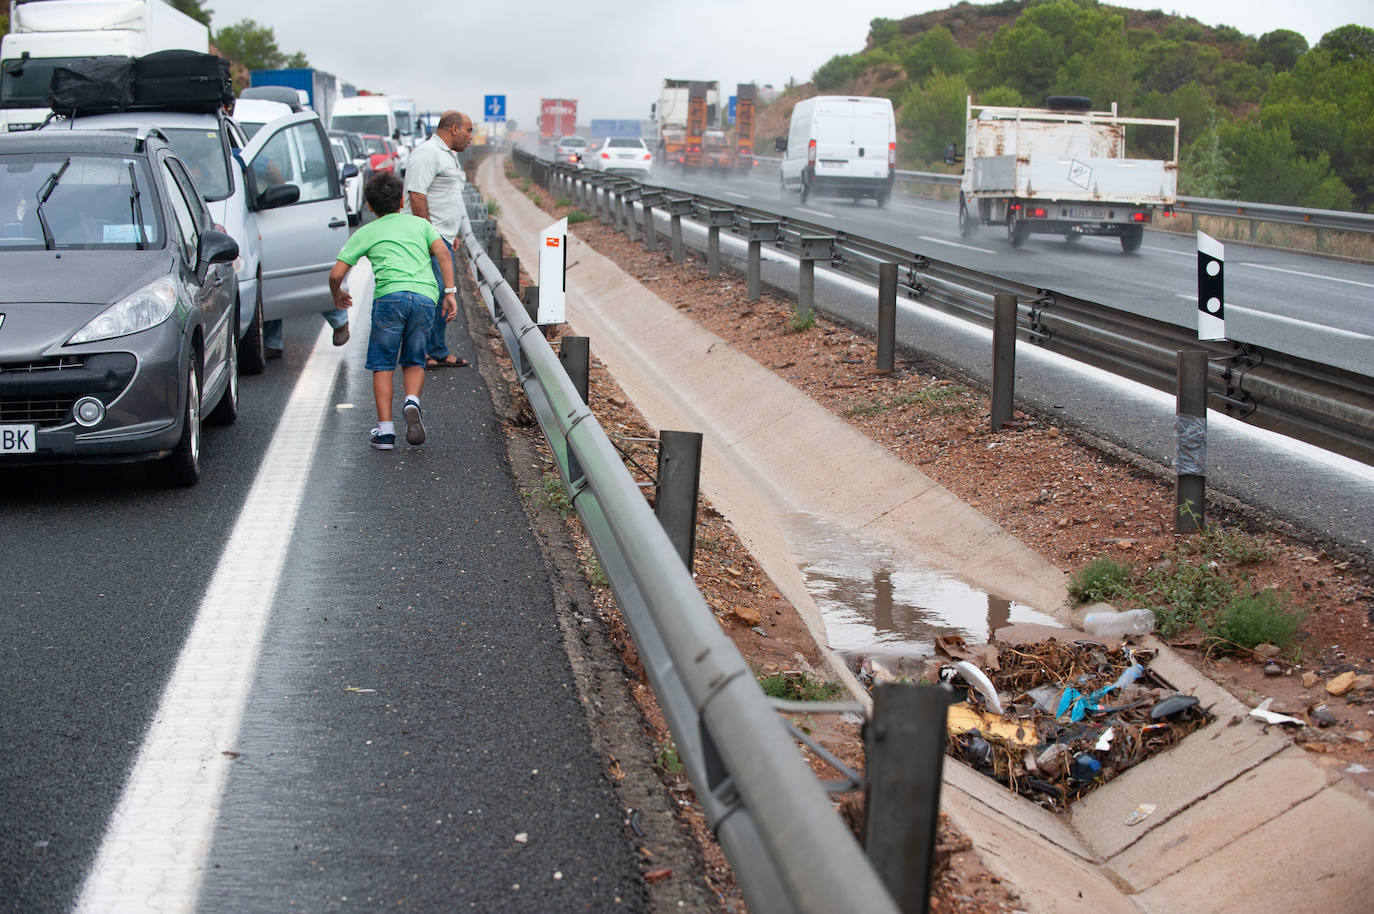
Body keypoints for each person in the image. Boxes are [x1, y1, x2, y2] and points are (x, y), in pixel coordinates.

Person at [329, 173, 457, 450]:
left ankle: (385, 431)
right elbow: (444, 254)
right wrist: (449, 292)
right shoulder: (420, 225)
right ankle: (412, 401)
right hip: (424, 297)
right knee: (414, 360)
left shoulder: (366, 232)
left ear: (369, 206)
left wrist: (337, 294)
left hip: (389, 299)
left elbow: (336, 273)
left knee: (383, 364)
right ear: (402, 201)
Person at [404, 109, 474, 368]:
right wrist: (429, 236)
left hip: (443, 236)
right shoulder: (427, 153)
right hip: (428, 237)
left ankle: (437, 349)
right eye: (468, 130)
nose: (470, 137)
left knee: (440, 296)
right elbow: (417, 195)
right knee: (429, 296)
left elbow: (445, 197)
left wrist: (452, 233)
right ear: (454, 128)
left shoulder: (446, 155)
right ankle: (421, 352)